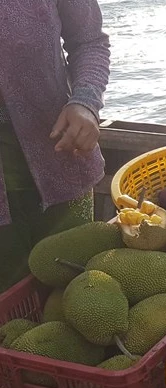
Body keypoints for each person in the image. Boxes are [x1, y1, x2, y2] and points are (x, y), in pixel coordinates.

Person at [0, 1, 111, 293]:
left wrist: (86, 101)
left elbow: (89, 41)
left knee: (77, 292)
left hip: (62, 165)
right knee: (11, 316)